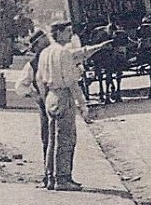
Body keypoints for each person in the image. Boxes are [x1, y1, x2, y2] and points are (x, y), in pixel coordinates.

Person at [35, 21, 110, 191]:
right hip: (64, 97)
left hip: (50, 96)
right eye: (68, 31)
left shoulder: (45, 52)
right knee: (66, 139)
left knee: (52, 139)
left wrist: (98, 47)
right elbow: (71, 82)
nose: (71, 34)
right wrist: (82, 104)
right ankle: (63, 178)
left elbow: (40, 78)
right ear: (59, 33)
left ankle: (50, 177)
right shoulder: (63, 53)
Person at [15, 30, 52, 165]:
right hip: (45, 106)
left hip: (59, 104)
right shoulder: (33, 64)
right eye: (44, 39)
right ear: (37, 45)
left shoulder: (54, 56)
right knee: (47, 139)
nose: (48, 41)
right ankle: (48, 174)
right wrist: (35, 95)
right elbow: (20, 86)